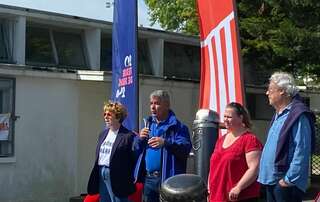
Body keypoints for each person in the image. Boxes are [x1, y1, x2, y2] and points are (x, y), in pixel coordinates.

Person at [258, 72, 315, 202]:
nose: (267, 93)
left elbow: (302, 149)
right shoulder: (279, 115)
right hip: (271, 181)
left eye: (270, 90)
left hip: (285, 184)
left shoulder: (298, 115)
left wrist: (288, 180)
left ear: (282, 91)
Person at [133, 90, 192, 202]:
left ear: (167, 105)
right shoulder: (148, 124)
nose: (153, 107)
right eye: (151, 103)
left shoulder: (178, 127)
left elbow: (185, 149)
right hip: (148, 179)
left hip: (168, 178)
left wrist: (165, 143)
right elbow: (136, 150)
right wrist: (139, 139)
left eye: (157, 103)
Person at [209, 102, 263, 202]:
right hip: (217, 196)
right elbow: (214, 168)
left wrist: (239, 187)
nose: (225, 119)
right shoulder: (221, 140)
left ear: (240, 118)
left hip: (239, 197)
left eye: (229, 117)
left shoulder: (250, 140)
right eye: (224, 116)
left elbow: (254, 168)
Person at [87, 101, 136, 202]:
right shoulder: (103, 134)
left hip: (117, 176)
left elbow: (132, 159)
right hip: (101, 172)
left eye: (109, 114)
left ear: (118, 116)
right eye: (104, 114)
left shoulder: (128, 136)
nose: (105, 117)